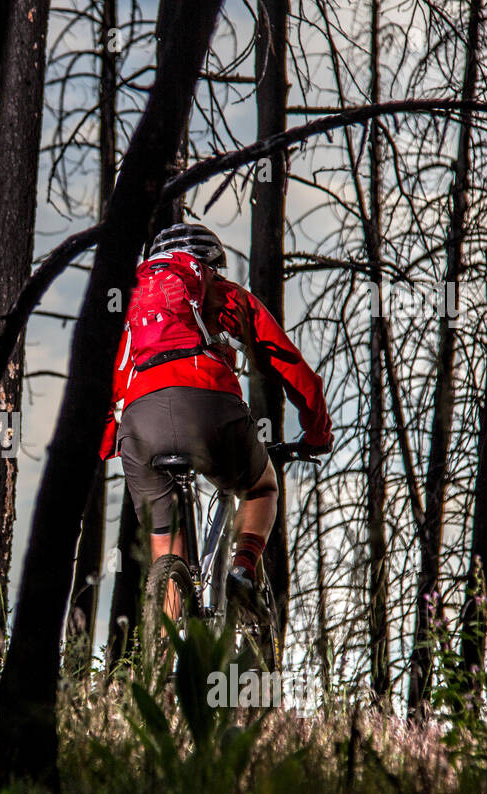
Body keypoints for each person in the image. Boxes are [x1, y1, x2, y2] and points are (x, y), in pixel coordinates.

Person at [99, 221, 333, 612]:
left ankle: (168, 656)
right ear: (206, 264)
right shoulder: (219, 291)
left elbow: (110, 381)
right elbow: (287, 361)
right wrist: (316, 432)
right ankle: (242, 570)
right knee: (262, 488)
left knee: (165, 542)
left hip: (140, 425)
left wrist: (110, 443)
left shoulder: (132, 306)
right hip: (208, 406)